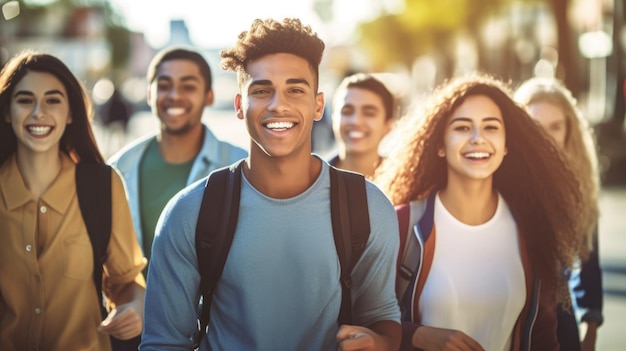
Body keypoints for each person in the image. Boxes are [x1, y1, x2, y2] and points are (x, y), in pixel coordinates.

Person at [140, 18, 401, 351]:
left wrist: (380, 342)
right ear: (239, 106)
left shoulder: (368, 207)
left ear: (318, 105)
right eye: (261, 90)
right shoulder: (189, 212)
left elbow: (383, 315)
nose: (279, 104)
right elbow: (163, 343)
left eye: (296, 89)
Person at [374, 73, 585, 350]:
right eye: (462, 128)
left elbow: (543, 336)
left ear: (506, 145)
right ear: (439, 144)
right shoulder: (401, 223)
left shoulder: (532, 230)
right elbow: (368, 320)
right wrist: (417, 335)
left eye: (491, 127)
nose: (478, 138)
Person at [0, 51, 146, 350]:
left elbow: (127, 283)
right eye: (25, 100)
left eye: (53, 100)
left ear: (70, 113)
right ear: (7, 111)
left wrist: (134, 308)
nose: (39, 112)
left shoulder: (103, 186)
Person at [108, 46, 248, 266]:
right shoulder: (119, 167)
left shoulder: (243, 167)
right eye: (164, 86)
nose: (174, 96)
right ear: (149, 94)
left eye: (188, 86)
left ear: (209, 96)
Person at [514, 77, 603, 351]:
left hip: (560, 323)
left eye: (556, 127)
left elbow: (587, 259)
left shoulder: (578, 185)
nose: (547, 137)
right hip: (508, 318)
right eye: (536, 126)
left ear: (569, 131)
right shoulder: (499, 181)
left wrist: (590, 326)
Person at [328, 73, 396, 178]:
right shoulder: (308, 184)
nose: (356, 121)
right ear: (333, 118)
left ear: (388, 125)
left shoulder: (408, 185)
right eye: (347, 111)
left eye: (369, 113)